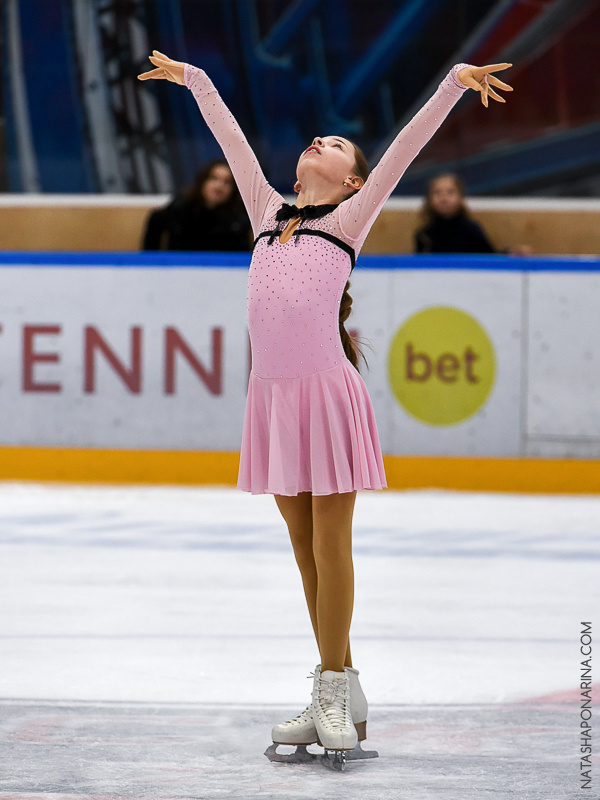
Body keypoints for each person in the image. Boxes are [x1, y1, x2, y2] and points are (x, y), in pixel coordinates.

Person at [138, 51, 513, 764]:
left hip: (325, 395)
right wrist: (194, 80)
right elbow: (231, 140)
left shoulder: (350, 217)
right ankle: (341, 687)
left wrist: (451, 84)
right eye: (319, 137)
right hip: (272, 400)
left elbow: (405, 149)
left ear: (351, 180)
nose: (321, 140)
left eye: (337, 145)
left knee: (330, 543)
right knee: (303, 548)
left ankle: (333, 689)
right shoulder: (264, 209)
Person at [142, 160, 251, 251]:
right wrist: (153, 261)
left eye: (227, 182)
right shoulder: (182, 206)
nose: (219, 186)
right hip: (180, 269)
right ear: (203, 181)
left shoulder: (239, 216)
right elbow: (156, 220)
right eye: (214, 179)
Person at [415, 172, 532, 255]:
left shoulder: (471, 229)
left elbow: (489, 257)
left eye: (450, 192)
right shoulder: (425, 235)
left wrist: (510, 253)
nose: (444, 198)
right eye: (437, 193)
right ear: (429, 199)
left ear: (461, 198)